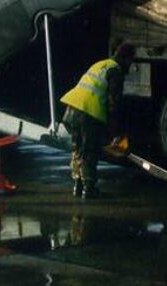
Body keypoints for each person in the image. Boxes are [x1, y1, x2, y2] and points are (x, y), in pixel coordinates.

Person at [58, 42, 136, 199]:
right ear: (126, 59)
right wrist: (116, 133)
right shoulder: (116, 72)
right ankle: (89, 188)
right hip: (88, 113)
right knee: (89, 151)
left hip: (71, 110)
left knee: (78, 149)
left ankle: (78, 186)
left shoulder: (101, 64)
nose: (131, 66)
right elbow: (114, 104)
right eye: (131, 61)